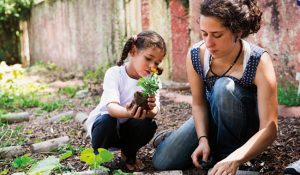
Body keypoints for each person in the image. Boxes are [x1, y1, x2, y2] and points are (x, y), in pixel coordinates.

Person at [152, 0, 278, 174]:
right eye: (204, 34)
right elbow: (198, 103)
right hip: (213, 117)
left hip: (245, 128)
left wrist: (236, 158)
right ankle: (176, 138)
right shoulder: (196, 55)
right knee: (162, 161)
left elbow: (269, 128)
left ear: (237, 31)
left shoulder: (258, 61)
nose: (208, 43)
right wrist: (202, 139)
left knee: (223, 87)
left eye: (217, 35)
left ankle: (227, 156)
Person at [85, 30, 167, 171]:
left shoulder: (152, 80)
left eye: (157, 62)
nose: (152, 66)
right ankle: (98, 158)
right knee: (107, 120)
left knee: (148, 125)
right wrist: (129, 112)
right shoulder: (115, 73)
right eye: (148, 58)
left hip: (128, 132)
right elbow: (111, 108)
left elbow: (154, 112)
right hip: (105, 131)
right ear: (133, 51)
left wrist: (151, 107)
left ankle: (128, 154)